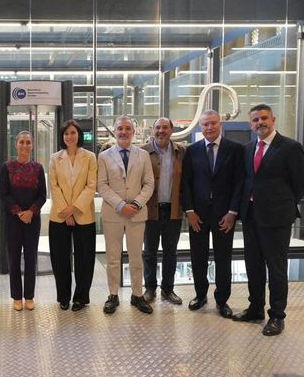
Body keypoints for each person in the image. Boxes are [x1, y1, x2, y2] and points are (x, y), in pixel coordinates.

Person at [233, 104, 304, 336]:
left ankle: (277, 315)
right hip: (251, 216)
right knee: (253, 265)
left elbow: (302, 182)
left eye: (264, 118)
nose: (260, 123)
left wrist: (282, 203)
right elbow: (247, 180)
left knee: (276, 268)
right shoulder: (247, 149)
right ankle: (255, 308)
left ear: (273, 120)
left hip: (277, 218)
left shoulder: (290, 147)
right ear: (251, 124)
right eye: (255, 120)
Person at [181, 109, 244, 319]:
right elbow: (186, 183)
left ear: (220, 124)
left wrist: (233, 212)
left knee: (223, 258)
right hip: (197, 215)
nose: (209, 127)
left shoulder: (235, 149)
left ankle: (222, 300)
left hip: (224, 215)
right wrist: (189, 211)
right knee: (197, 257)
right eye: (205, 124)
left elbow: (239, 183)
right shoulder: (192, 151)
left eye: (213, 123)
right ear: (201, 127)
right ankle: (200, 296)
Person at [97, 116, 155, 315]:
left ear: (133, 131)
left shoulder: (143, 155)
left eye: (127, 128)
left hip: (136, 214)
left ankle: (137, 295)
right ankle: (113, 295)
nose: (123, 132)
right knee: (113, 257)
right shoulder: (104, 156)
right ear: (114, 131)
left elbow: (149, 183)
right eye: (120, 128)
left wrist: (137, 203)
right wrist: (121, 205)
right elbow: (102, 185)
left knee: (136, 257)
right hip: (113, 213)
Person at [48, 120, 97, 311]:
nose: (69, 136)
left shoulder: (90, 157)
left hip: (83, 216)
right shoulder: (55, 158)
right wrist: (65, 211)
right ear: (62, 137)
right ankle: (63, 297)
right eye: (66, 133)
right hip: (59, 216)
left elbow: (91, 186)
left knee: (85, 258)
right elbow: (54, 186)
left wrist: (74, 209)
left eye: (73, 133)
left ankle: (81, 298)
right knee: (60, 258)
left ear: (79, 135)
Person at [141, 117, 186, 305]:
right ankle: (150, 288)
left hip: (173, 210)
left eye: (165, 127)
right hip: (150, 210)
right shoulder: (142, 152)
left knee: (170, 252)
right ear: (153, 130)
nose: (161, 131)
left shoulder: (181, 152)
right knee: (149, 252)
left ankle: (168, 289)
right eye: (158, 127)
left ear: (171, 130)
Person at [1, 131, 47, 311]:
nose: (25, 145)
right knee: (13, 259)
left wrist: (31, 212)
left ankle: (29, 296)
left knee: (30, 258)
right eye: (22, 142)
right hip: (13, 220)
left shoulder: (38, 168)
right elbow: (4, 194)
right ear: (16, 144)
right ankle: (16, 297)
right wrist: (19, 212)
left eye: (28, 142)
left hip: (32, 221)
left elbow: (42, 195)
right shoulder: (7, 167)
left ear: (32, 145)